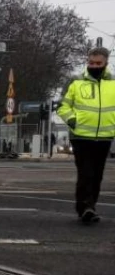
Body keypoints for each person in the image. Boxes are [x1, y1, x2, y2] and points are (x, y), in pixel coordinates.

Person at [57, 47, 115, 224]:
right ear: (87, 61)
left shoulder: (112, 83)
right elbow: (62, 106)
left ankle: (91, 206)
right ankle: (84, 208)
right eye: (91, 63)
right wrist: (72, 120)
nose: (94, 66)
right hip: (80, 136)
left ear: (105, 63)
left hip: (105, 136)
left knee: (97, 175)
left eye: (98, 63)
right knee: (86, 173)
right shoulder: (75, 82)